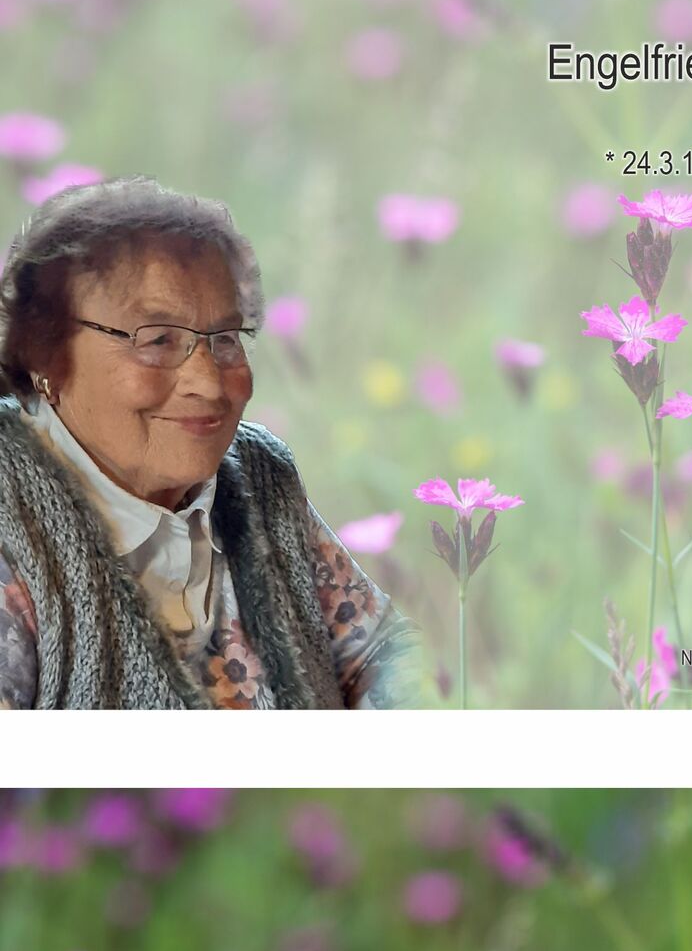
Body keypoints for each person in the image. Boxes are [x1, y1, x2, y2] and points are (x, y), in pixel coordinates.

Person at [0, 175, 417, 708]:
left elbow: (380, 655)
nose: (209, 381)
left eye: (224, 340)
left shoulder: (258, 475)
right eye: (157, 339)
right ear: (46, 358)